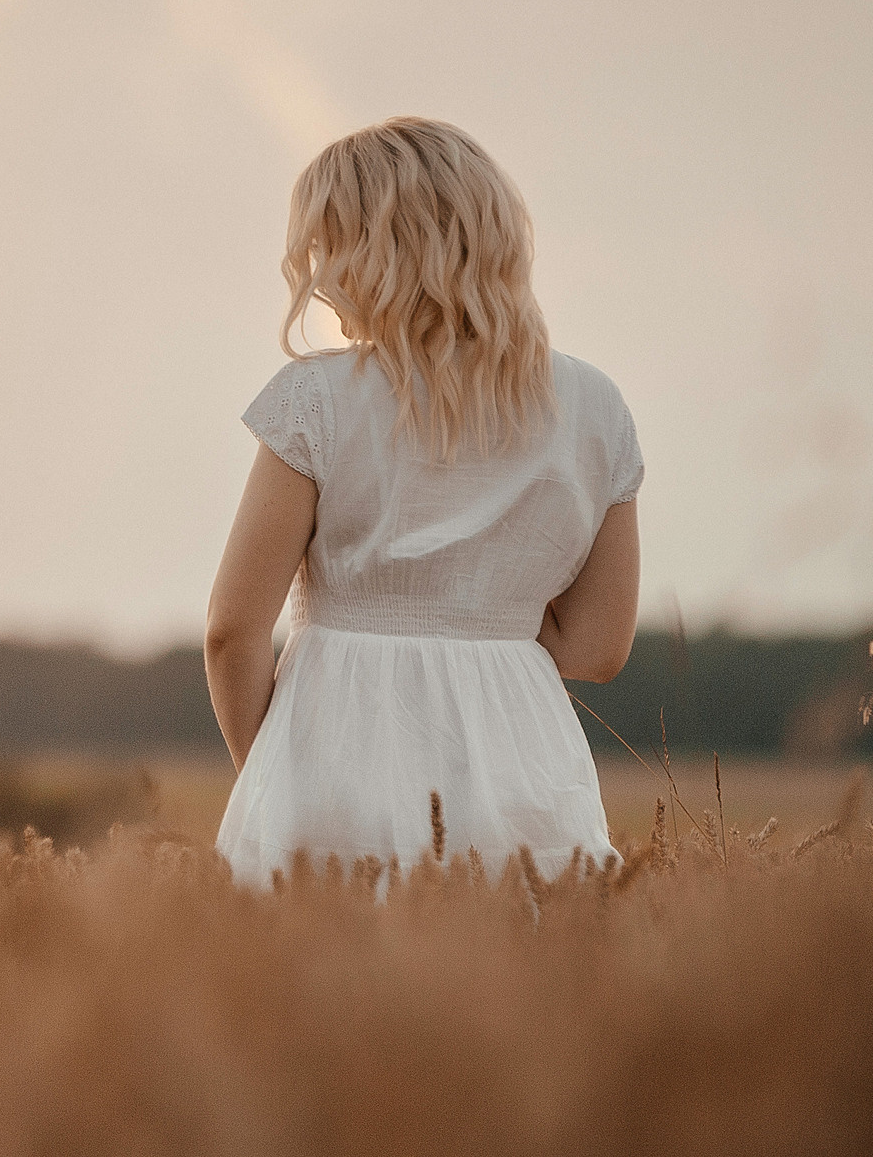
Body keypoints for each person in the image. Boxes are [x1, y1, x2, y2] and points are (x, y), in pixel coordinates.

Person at [206, 117, 641, 886]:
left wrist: (272, 774)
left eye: (326, 248)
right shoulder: (594, 406)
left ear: (375, 254)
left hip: (334, 754)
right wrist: (487, 594)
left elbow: (233, 633)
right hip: (525, 771)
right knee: (519, 991)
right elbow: (599, 649)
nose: (318, 277)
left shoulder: (315, 399)